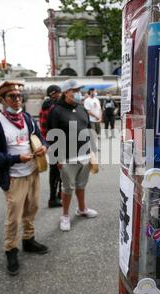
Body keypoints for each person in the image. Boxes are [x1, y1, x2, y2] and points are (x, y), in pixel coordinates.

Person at [0, 81, 49, 276]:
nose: (17, 99)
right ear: (2, 100)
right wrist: (15, 158)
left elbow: (39, 136)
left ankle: (28, 240)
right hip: (14, 177)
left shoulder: (27, 117)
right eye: (12, 96)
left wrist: (43, 146)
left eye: (20, 96)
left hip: (33, 171)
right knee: (14, 217)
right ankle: (10, 249)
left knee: (32, 208)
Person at [47, 79, 98, 232]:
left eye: (79, 90)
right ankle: (65, 216)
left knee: (81, 185)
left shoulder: (81, 109)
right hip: (67, 158)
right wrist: (57, 158)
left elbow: (89, 131)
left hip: (84, 155)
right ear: (65, 93)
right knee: (67, 188)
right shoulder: (56, 110)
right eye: (74, 91)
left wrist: (92, 152)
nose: (77, 93)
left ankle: (82, 209)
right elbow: (52, 136)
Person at [39, 85, 62, 208]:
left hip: (54, 142)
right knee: (56, 170)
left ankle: (58, 194)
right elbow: (45, 127)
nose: (59, 94)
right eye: (57, 93)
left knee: (58, 170)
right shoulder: (51, 106)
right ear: (53, 94)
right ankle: (53, 198)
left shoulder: (50, 105)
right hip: (55, 142)